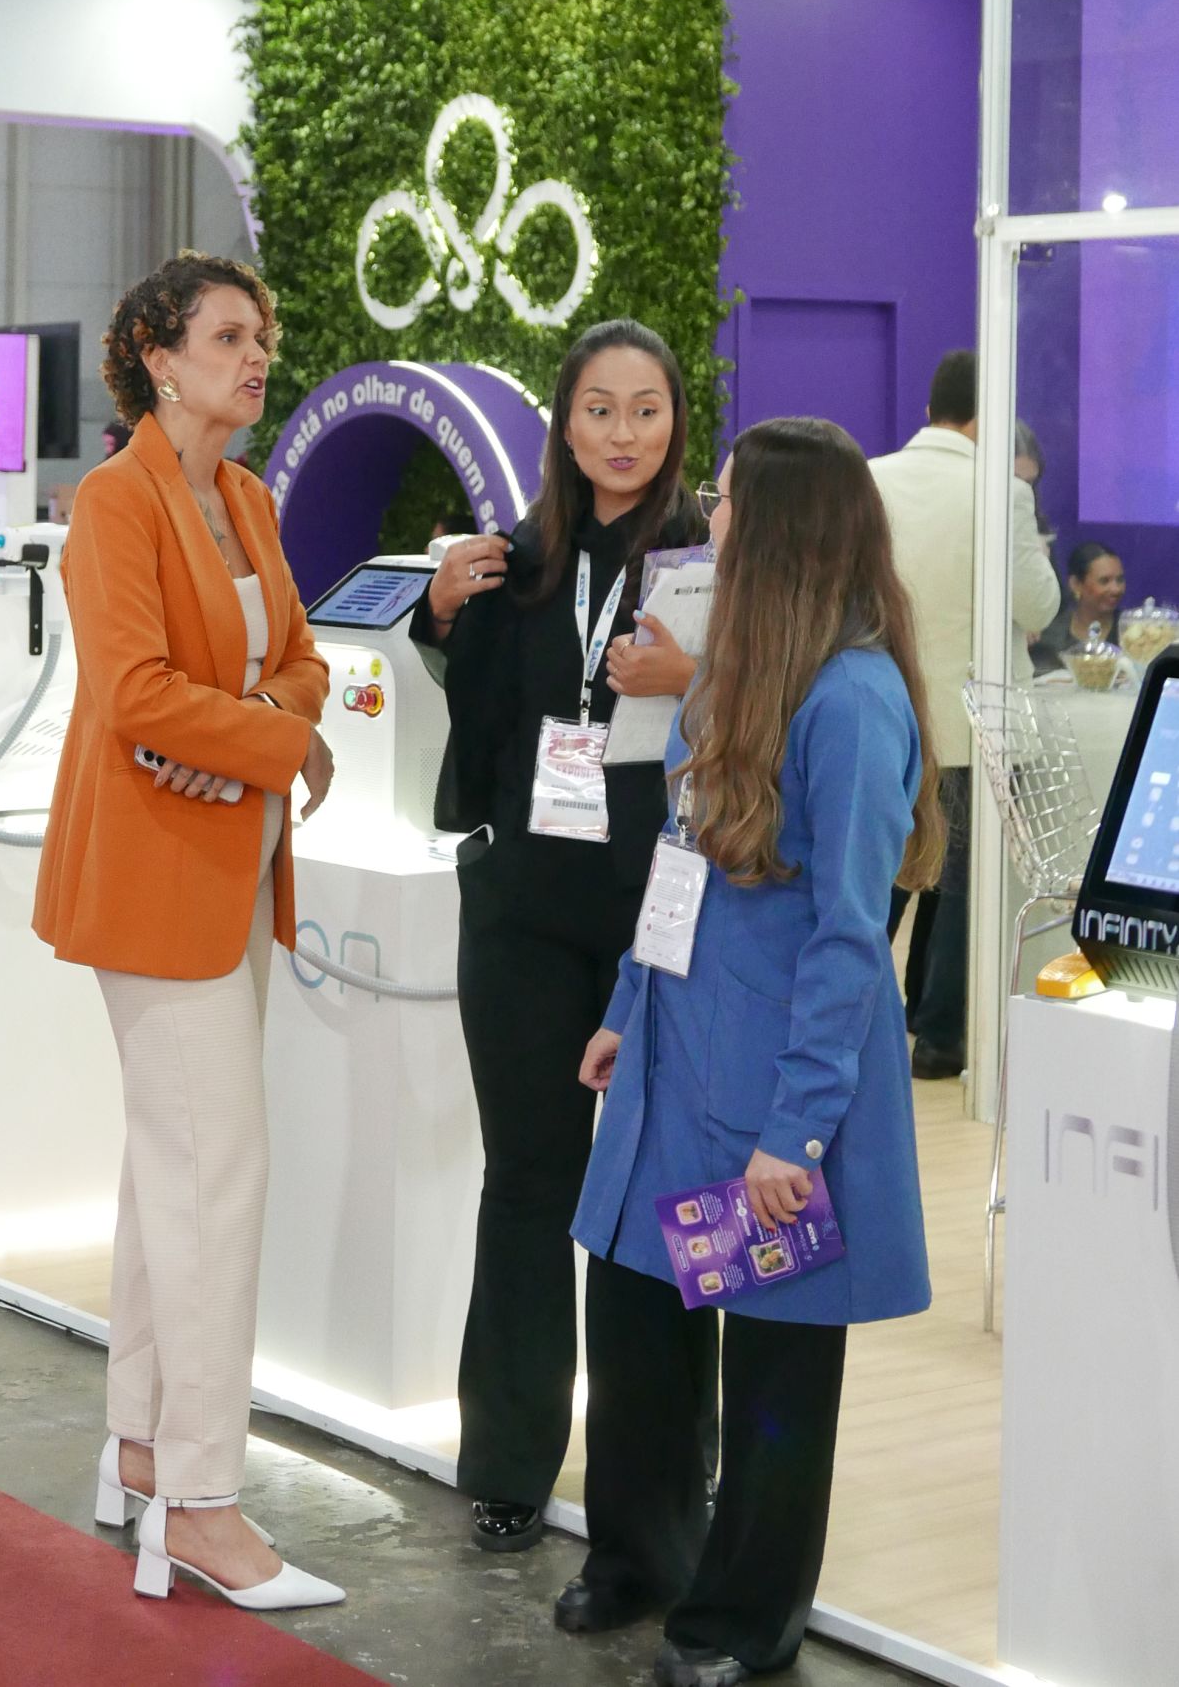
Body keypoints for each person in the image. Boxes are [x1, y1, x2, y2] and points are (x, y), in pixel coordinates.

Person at [571, 418, 944, 1687]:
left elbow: (849, 940)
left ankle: (745, 1621)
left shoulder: (851, 702)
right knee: (645, 1313)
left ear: (778, 526)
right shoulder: (728, 677)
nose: (709, 514)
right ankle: (651, 1564)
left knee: (776, 1361)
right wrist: (625, 1003)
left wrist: (795, 1133)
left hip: (775, 1095)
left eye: (726, 497)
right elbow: (676, 861)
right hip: (682, 1067)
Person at [33, 253, 342, 1612]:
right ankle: (203, 1509)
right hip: (156, 879)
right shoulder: (117, 500)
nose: (254, 355)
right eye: (227, 335)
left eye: (259, 335)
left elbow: (305, 662)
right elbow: (135, 692)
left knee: (174, 1168)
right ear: (158, 359)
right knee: (215, 1177)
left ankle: (144, 1452)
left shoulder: (247, 498)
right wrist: (273, 740)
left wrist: (260, 730)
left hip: (235, 867)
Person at [412, 318, 703, 1556]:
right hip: (522, 909)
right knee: (527, 1180)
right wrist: (435, 617)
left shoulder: (708, 564)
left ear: (673, 423)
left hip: (660, 916)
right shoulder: (512, 560)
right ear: (564, 425)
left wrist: (692, 679)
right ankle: (508, 1461)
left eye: (645, 409)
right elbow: (473, 712)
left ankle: (663, 1481)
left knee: (661, 1192)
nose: (622, 433)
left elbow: (764, 710)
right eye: (598, 409)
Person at [868, 350, 1059, 1078]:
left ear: (930, 410)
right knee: (964, 890)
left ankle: (854, 1019)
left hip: (884, 714)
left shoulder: (869, 478)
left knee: (879, 880)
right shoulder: (1002, 491)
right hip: (976, 724)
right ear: (989, 416)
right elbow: (1039, 605)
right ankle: (942, 1038)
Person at [1032, 541, 1128, 672]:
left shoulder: (1134, 635)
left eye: (1120, 580)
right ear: (1076, 584)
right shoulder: (1048, 637)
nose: (1116, 589)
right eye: (1104, 581)